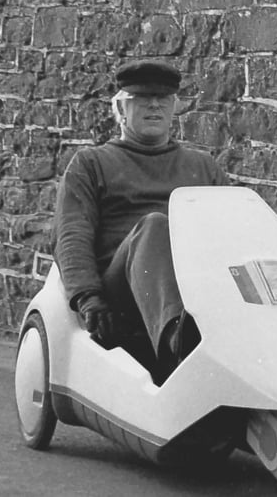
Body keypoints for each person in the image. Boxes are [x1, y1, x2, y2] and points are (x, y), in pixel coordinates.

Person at [53, 60, 229, 381]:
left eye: (162, 99)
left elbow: (234, 230)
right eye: (141, 99)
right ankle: (182, 344)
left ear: (174, 107)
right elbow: (72, 234)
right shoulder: (92, 163)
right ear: (120, 108)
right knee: (155, 225)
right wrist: (88, 297)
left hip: (197, 287)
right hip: (121, 295)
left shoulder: (203, 167)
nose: (153, 105)